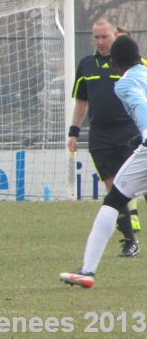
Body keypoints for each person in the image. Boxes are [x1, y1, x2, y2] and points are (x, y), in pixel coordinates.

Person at [60, 35, 147, 288]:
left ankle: (88, 271)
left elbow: (141, 105)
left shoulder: (124, 84)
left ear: (115, 63)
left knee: (114, 201)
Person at [67, 18, 140, 257]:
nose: (100, 41)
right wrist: (74, 131)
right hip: (100, 137)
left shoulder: (135, 65)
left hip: (131, 135)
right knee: (113, 190)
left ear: (115, 35)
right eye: (96, 37)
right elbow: (82, 101)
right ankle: (130, 241)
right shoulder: (86, 65)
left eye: (104, 37)